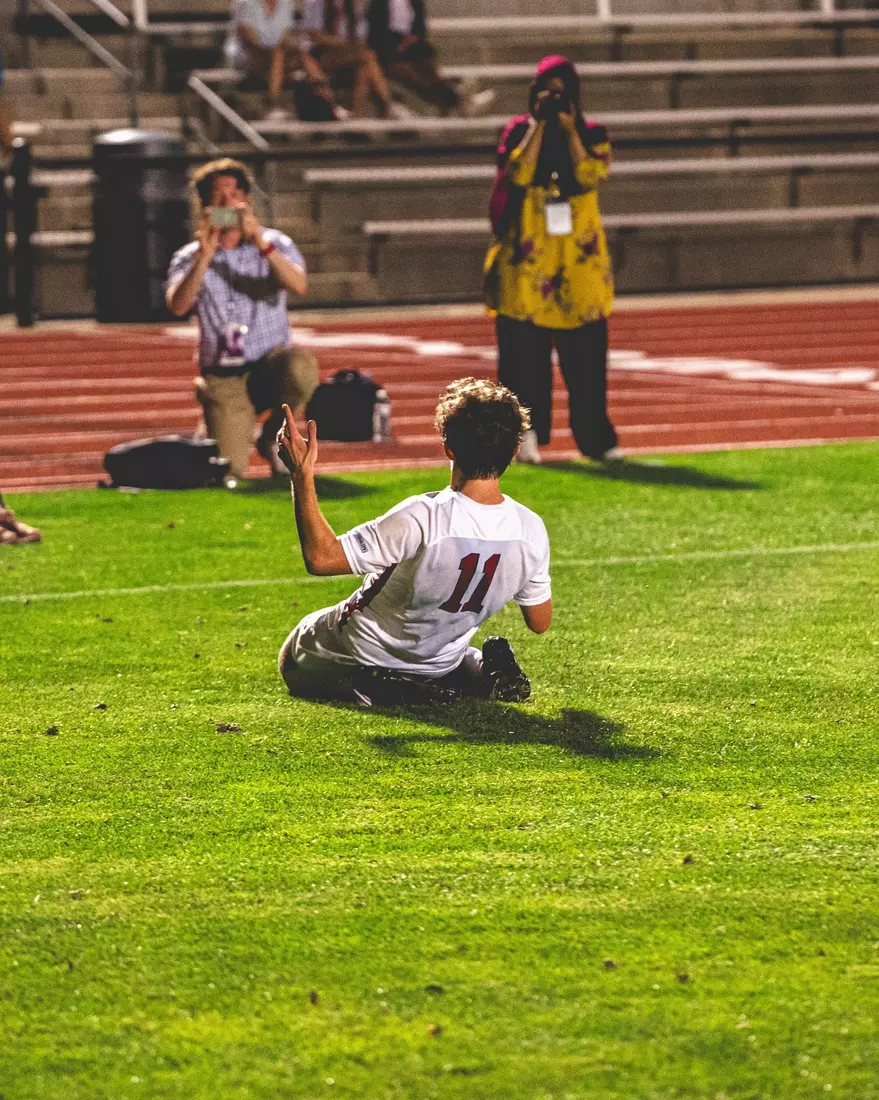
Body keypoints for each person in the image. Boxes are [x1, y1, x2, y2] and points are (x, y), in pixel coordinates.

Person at [277, 377, 552, 707]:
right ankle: (483, 671)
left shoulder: (424, 515)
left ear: (448, 448)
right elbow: (540, 622)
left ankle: (382, 685)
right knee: (449, 652)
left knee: (291, 658)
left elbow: (321, 558)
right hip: (439, 660)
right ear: (514, 451)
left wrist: (301, 474)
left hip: (369, 651)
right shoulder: (531, 529)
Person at [485, 55, 621, 465]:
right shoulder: (519, 131)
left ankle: (596, 438)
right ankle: (524, 435)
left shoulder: (592, 133)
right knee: (523, 356)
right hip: (529, 257)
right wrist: (539, 125)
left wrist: (570, 130)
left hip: (578, 259)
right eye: (548, 93)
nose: (555, 100)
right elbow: (518, 173)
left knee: (588, 356)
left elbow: (590, 175)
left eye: (563, 93)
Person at [165, 158, 318, 482]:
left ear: (247, 200)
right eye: (218, 198)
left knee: (301, 368)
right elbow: (177, 306)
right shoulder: (189, 255)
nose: (228, 204)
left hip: (269, 365)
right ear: (205, 205)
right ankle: (215, 412)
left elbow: (299, 285)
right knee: (228, 470)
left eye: (234, 195)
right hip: (225, 376)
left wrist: (261, 243)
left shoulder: (275, 242)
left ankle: (272, 437)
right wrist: (205, 256)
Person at [232, 0, 341, 120]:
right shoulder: (245, 3)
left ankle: (331, 102)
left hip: (277, 55)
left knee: (302, 55)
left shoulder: (285, 3)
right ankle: (273, 105)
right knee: (278, 54)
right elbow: (246, 35)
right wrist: (274, 50)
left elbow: (287, 34)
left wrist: (284, 47)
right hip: (250, 56)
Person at [300, 0, 406, 118]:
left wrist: (349, 45)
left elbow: (362, 37)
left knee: (365, 65)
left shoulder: (354, 7)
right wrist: (341, 43)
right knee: (368, 56)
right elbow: (315, 35)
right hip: (322, 54)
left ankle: (357, 114)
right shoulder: (317, 4)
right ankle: (387, 103)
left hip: (348, 53)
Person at [365, 0, 459, 114]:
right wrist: (398, 43)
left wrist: (412, 39)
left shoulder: (416, 2)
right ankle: (445, 93)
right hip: (389, 47)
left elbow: (421, 28)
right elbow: (375, 31)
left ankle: (442, 92)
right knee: (409, 72)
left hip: (412, 45)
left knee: (426, 57)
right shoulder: (378, 3)